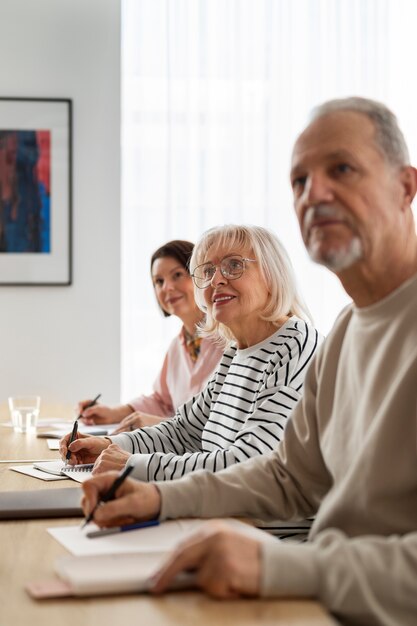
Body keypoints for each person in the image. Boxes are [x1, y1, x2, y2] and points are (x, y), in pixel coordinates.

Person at [82, 97, 417, 626]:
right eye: (299, 181)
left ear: (405, 187)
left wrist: (281, 567)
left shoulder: (306, 340)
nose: (315, 194)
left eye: (342, 169)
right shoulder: (348, 332)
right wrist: (156, 499)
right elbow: (289, 476)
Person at [61, 224, 321, 479]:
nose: (216, 280)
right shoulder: (235, 351)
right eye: (207, 271)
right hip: (223, 508)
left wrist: (130, 463)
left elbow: (250, 463)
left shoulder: (295, 343)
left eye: (234, 265)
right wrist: (109, 445)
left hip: (266, 521)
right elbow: (184, 431)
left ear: (272, 275)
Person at [78, 240, 223, 434]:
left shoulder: (232, 339)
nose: (167, 288)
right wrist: (113, 412)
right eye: (159, 281)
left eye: (177, 275)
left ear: (202, 275)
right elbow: (162, 402)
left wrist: (156, 424)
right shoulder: (177, 347)